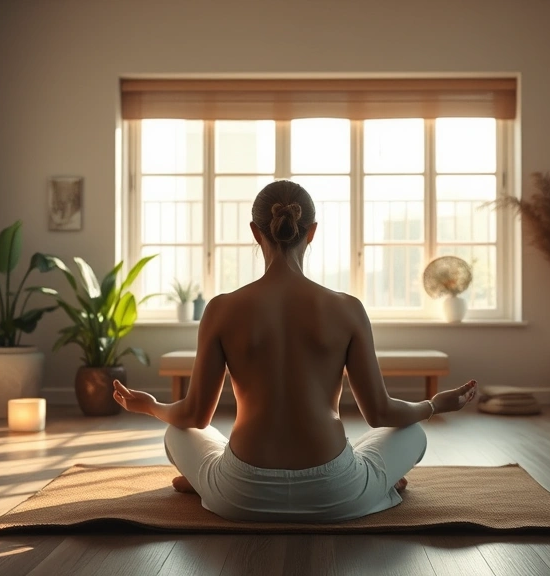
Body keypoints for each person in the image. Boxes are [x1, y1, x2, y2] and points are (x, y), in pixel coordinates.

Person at [113, 180, 478, 523]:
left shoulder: (221, 309)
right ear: (312, 231)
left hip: (241, 496)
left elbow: (194, 417)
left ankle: (205, 484)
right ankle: (377, 486)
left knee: (176, 433)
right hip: (336, 492)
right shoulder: (347, 308)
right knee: (413, 433)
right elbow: (381, 413)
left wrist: (147, 404)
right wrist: (434, 405)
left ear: (256, 232)